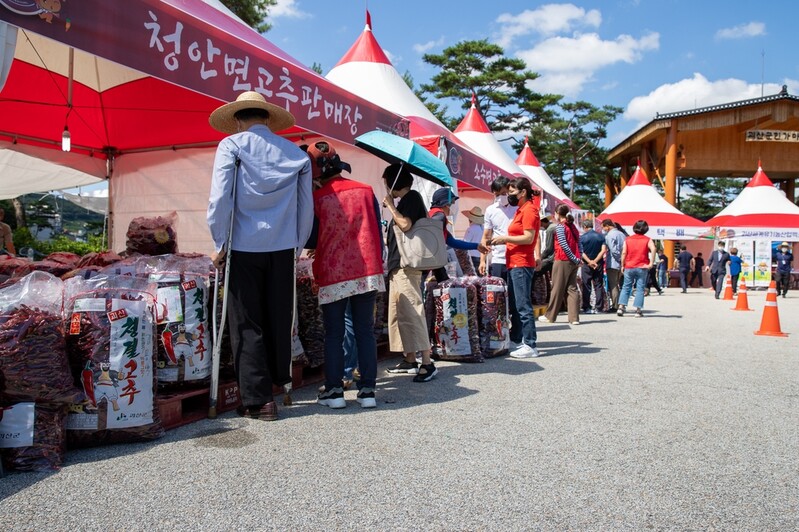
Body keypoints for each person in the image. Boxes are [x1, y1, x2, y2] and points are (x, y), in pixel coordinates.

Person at [207, 91, 313, 421]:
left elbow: (220, 198)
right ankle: (279, 382)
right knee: (279, 317)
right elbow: (304, 205)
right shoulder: (296, 154)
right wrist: (297, 244)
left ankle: (258, 399)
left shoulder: (232, 146)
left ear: (238, 120)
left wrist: (219, 241)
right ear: (267, 119)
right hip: (282, 245)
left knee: (247, 321)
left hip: (243, 245)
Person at [303, 141, 384, 410]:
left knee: (334, 334)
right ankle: (368, 392)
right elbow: (376, 230)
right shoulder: (366, 190)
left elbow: (311, 238)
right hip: (366, 269)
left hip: (333, 269)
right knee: (365, 332)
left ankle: (335, 390)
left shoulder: (317, 198)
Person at [382, 164, 437, 382]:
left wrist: (391, 207)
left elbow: (405, 224)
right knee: (401, 313)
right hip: (400, 266)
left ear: (393, 182)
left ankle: (427, 362)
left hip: (408, 266)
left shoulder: (412, 199)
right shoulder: (407, 201)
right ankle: (410, 358)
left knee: (413, 312)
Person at [488, 178, 541, 358]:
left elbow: (528, 237)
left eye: (511, 193)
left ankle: (530, 344)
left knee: (523, 305)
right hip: (515, 262)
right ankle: (525, 341)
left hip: (522, 262)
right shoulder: (522, 210)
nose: (509, 196)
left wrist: (505, 239)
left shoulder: (529, 210)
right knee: (519, 304)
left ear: (522, 192)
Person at [427, 188, 486, 281]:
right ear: (445, 203)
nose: (453, 206)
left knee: (443, 283)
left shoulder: (433, 214)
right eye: (451, 203)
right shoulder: (439, 216)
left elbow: (452, 242)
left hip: (434, 262)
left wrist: (476, 246)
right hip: (428, 262)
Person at [540, 204, 581, 325]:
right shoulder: (572, 226)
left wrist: (573, 258)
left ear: (557, 213)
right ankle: (574, 318)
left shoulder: (560, 227)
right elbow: (578, 243)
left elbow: (563, 245)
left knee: (557, 288)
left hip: (562, 259)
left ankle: (550, 316)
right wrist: (577, 259)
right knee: (572, 289)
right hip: (573, 261)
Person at [617, 220, 656, 318]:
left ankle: (621, 307)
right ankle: (638, 310)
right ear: (646, 229)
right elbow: (654, 249)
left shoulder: (628, 239)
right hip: (642, 266)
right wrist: (651, 263)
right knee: (640, 288)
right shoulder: (647, 239)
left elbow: (624, 252)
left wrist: (622, 265)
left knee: (626, 286)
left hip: (629, 266)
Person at [579, 219, 607, 314]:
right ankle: (599, 307)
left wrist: (589, 261)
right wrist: (595, 261)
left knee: (586, 285)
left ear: (585, 227)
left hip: (586, 264)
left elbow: (581, 252)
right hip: (598, 263)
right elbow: (603, 250)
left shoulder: (582, 238)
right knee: (598, 285)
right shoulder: (601, 236)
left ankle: (587, 307)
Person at [601, 218, 625, 312]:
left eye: (603, 227)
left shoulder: (610, 235)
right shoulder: (621, 234)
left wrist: (618, 259)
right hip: (622, 263)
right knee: (619, 284)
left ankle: (615, 305)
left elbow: (613, 249)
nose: (603, 229)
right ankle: (621, 304)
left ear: (607, 226)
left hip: (613, 263)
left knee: (613, 285)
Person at [461, 206, 485, 273]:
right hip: (481, 257)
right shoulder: (483, 228)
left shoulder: (471, 229)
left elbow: (465, 243)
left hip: (472, 257)